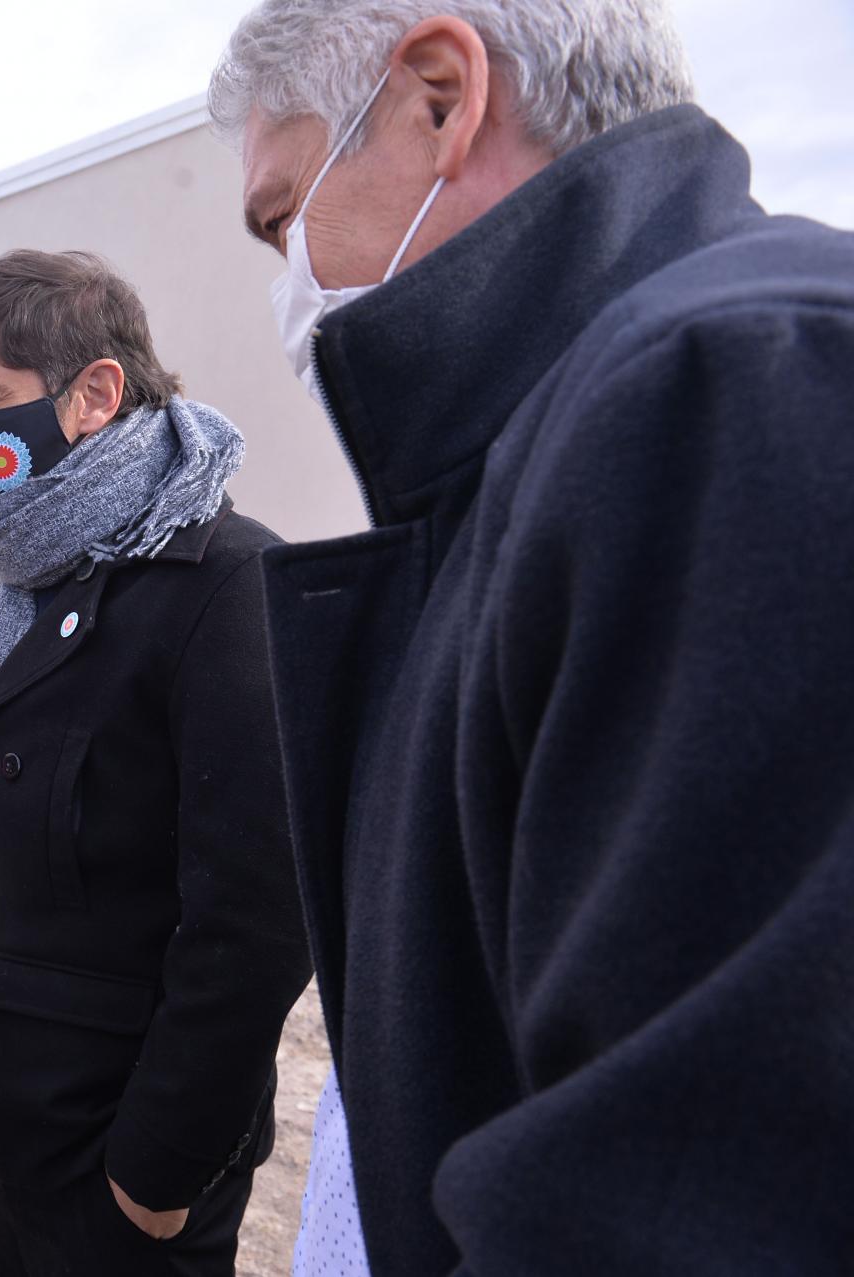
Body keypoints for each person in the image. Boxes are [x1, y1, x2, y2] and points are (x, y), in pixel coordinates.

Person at [210, 1, 854, 1271]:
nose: (288, 276)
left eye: (284, 216)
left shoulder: (730, 389)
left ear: (440, 97)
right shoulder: (544, 449)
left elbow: (681, 1204)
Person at [0, 250, 313, 1276]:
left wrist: (155, 1173)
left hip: (126, 1170)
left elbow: (257, 920)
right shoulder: (25, 576)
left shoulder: (228, 585)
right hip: (13, 1131)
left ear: (94, 393)